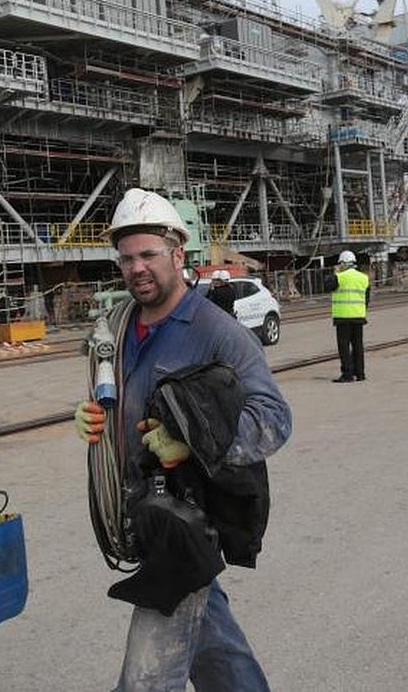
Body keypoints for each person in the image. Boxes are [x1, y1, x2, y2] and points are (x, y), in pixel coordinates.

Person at [73, 188, 292, 691]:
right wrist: (90, 417)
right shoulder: (119, 328)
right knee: (217, 651)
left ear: (177, 254)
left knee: (146, 677)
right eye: (127, 258)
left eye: (148, 255)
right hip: (141, 513)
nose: (137, 268)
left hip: (185, 519)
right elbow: (115, 396)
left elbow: (274, 418)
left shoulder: (217, 332)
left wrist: (193, 441)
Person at [325, 250, 370, 382]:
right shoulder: (364, 278)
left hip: (343, 317)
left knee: (344, 347)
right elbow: (366, 299)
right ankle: (360, 374)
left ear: (343, 263)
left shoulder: (339, 277)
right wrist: (360, 310)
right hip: (358, 316)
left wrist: (335, 272)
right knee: (358, 346)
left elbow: (328, 286)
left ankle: (347, 374)